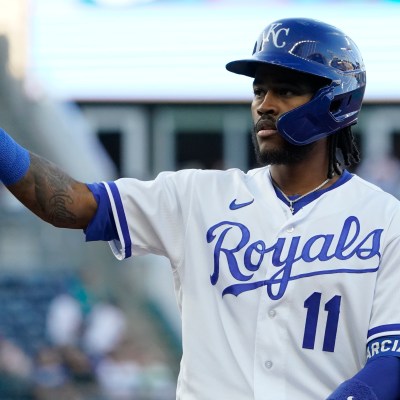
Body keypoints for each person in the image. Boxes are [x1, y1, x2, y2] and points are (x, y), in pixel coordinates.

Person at [0, 17, 399, 400]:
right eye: (259, 91)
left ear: (334, 102)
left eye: (286, 90)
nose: (265, 104)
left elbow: (392, 358)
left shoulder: (385, 220)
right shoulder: (197, 195)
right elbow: (70, 204)